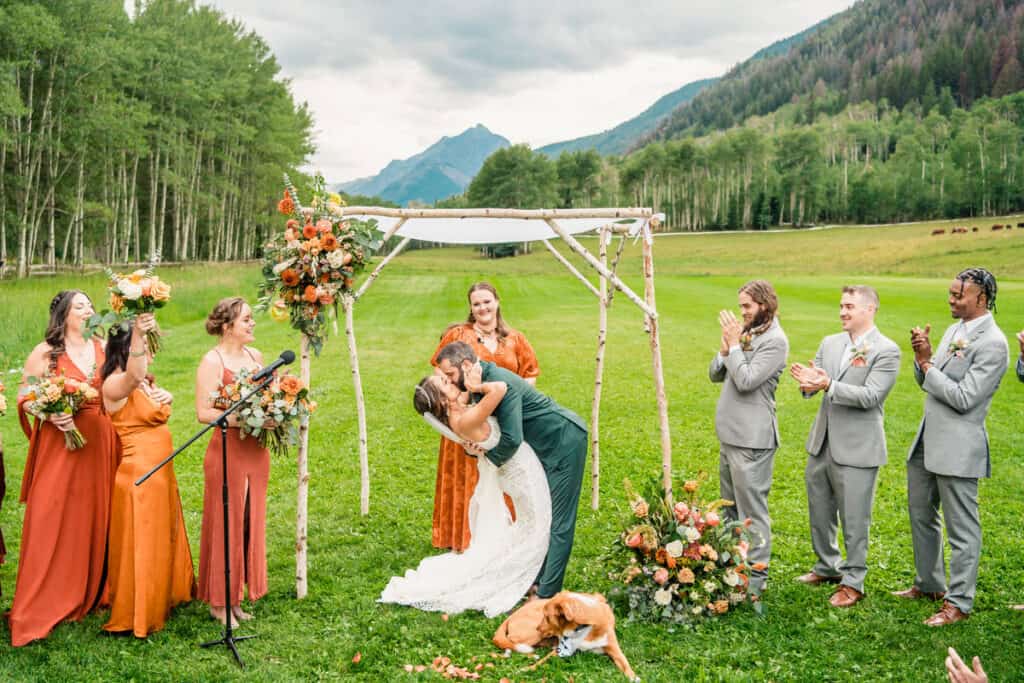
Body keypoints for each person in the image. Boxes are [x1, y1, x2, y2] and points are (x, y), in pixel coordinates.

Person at [380, 365, 551, 617]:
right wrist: (476, 386)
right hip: (520, 472)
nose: (451, 382)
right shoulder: (463, 419)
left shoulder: (458, 413)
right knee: (537, 526)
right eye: (445, 384)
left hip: (516, 468)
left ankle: (528, 572)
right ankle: (521, 576)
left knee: (531, 525)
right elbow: (501, 389)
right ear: (441, 400)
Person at [894, 268, 1009, 626]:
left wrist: (928, 365)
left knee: (962, 530)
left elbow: (964, 398)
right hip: (928, 441)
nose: (951, 300)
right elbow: (927, 379)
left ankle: (958, 602)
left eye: (959, 295)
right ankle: (929, 584)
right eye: (950, 293)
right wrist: (921, 359)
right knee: (920, 514)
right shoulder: (953, 330)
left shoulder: (993, 343)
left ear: (982, 298)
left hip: (959, 448)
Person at [9, 290, 120, 646]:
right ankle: (43, 598)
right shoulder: (46, 352)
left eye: (90, 305)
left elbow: (125, 385)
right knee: (50, 514)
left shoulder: (103, 345)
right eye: (79, 307)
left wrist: (155, 389)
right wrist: (48, 411)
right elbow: (25, 395)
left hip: (99, 445)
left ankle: (90, 587)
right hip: (60, 447)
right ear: (64, 315)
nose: (88, 310)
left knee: (93, 515)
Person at [436, 341, 586, 599]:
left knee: (559, 521)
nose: (449, 381)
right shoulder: (480, 385)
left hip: (564, 440)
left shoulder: (499, 382)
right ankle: (536, 577)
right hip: (543, 449)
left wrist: (488, 459)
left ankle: (546, 594)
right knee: (544, 516)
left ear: (467, 366)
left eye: (450, 375)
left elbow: (512, 439)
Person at [790, 285, 900, 607]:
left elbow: (871, 397)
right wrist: (810, 384)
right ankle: (827, 566)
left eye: (849, 306)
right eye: (841, 305)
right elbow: (815, 384)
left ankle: (854, 581)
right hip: (822, 440)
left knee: (854, 518)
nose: (842, 312)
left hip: (858, 446)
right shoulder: (830, 342)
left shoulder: (886, 350)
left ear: (870, 309)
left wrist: (827, 384)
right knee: (819, 509)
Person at [101, 313, 195, 637]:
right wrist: (138, 333)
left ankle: (163, 595)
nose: (149, 353)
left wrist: (166, 396)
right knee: (143, 544)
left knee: (160, 538)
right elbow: (134, 374)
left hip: (160, 474)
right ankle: (140, 612)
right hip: (139, 475)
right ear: (126, 349)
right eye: (143, 346)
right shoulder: (115, 382)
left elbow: (144, 389)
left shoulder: (142, 382)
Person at [430, 282, 539, 551]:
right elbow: (439, 375)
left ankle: (507, 535)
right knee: (469, 477)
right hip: (471, 421)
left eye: (487, 301)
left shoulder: (515, 338)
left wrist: (518, 406)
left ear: (497, 302)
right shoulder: (458, 335)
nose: (482, 308)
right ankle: (466, 539)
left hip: (506, 420)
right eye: (476, 303)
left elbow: (530, 374)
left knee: (504, 474)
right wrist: (458, 408)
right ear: (471, 307)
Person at [708, 280, 788, 595]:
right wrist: (726, 348)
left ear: (764, 306)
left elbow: (745, 380)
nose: (742, 312)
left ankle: (755, 581)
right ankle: (730, 571)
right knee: (729, 510)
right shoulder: (748, 333)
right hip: (730, 436)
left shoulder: (776, 341)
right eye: (740, 306)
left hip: (753, 440)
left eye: (747, 306)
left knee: (752, 513)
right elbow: (716, 374)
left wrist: (736, 347)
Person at [195, 297, 270, 627]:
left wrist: (274, 412)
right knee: (227, 521)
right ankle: (218, 602)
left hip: (256, 451)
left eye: (252, 319)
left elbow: (270, 396)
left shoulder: (257, 357)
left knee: (249, 520)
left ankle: (236, 596)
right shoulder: (212, 361)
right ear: (227, 327)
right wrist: (247, 419)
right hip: (227, 451)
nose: (252, 324)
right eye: (246, 320)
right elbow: (204, 413)